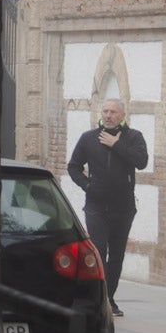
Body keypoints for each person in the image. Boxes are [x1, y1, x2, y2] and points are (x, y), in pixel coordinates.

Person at [67, 97, 149, 317]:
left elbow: (141, 162)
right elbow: (73, 167)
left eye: (113, 112)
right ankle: (98, 297)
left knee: (117, 255)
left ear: (122, 115)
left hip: (124, 208)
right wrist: (87, 186)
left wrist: (116, 145)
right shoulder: (89, 138)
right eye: (105, 111)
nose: (108, 115)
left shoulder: (134, 137)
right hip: (96, 207)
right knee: (99, 251)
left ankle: (109, 298)